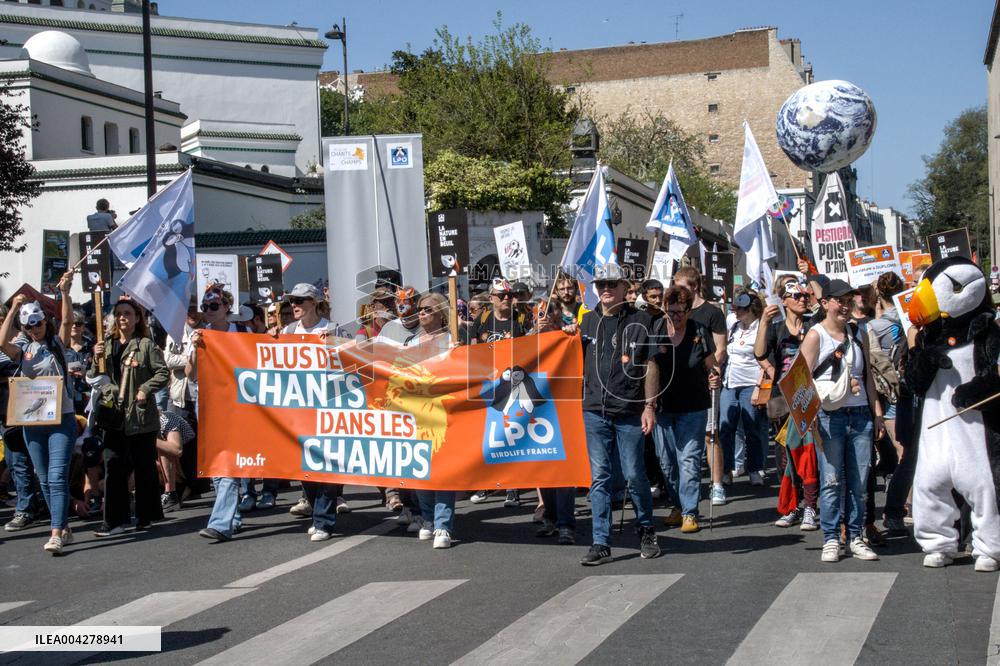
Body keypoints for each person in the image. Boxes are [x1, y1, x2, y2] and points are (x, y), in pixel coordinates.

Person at [574, 263, 661, 565]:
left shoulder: (641, 319)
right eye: (601, 285)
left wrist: (650, 406)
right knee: (600, 477)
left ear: (625, 287)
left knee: (635, 474)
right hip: (594, 410)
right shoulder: (585, 321)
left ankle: (647, 529)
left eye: (612, 284)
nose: (606, 290)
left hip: (630, 410)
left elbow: (650, 364)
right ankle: (601, 541)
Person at [800, 279, 882, 563]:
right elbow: (801, 379)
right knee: (832, 479)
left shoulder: (860, 332)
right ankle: (831, 538)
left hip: (860, 416)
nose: (846, 306)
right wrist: (807, 416)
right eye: (840, 300)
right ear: (825, 304)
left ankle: (857, 536)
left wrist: (877, 414)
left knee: (859, 482)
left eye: (849, 300)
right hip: (828, 416)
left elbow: (868, 378)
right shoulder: (815, 335)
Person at [0, 273, 78, 554]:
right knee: (43, 477)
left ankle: (56, 532)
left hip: (61, 420)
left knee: (57, 476)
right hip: (32, 422)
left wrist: (66, 293)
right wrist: (12, 309)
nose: (35, 329)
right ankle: (64, 525)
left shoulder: (55, 344)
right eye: (29, 326)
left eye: (39, 324)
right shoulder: (23, 347)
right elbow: (2, 344)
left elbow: (67, 322)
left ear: (45, 321)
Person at [90, 297, 169, 539]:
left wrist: (146, 388)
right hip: (113, 414)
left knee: (143, 467)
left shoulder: (145, 345)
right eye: (119, 313)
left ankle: (146, 516)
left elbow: (163, 372)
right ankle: (114, 520)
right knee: (113, 466)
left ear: (136, 318)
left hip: (140, 416)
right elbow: (94, 376)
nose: (122, 317)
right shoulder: (106, 344)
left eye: (127, 313)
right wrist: (95, 357)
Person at [279, 283, 348, 538]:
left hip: (327, 406)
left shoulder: (332, 328)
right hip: (298, 407)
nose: (294, 305)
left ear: (314, 303)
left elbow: (351, 362)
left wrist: (335, 347)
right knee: (306, 466)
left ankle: (323, 521)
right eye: (292, 301)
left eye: (300, 300)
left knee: (327, 464)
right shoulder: (288, 330)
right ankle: (316, 510)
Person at [652, 286, 720, 532]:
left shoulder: (698, 331)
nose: (676, 317)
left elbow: (711, 364)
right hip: (663, 406)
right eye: (671, 312)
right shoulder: (657, 330)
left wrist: (714, 375)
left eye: (680, 312)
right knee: (667, 461)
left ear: (689, 311)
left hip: (693, 405)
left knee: (688, 459)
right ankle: (678, 505)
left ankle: (690, 512)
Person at [754, 277, 819, 530]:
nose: (802, 300)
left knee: (809, 455)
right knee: (785, 457)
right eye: (796, 296)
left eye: (805, 296)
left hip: (809, 398)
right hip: (783, 400)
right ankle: (792, 506)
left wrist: (809, 275)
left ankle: (811, 507)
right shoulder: (777, 327)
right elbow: (759, 353)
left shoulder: (814, 324)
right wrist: (764, 322)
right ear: (784, 301)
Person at [467, 278, 532, 507]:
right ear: (491, 298)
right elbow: (471, 351)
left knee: (511, 435)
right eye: (502, 295)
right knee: (489, 437)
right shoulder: (482, 320)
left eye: (509, 295)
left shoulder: (522, 319)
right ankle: (487, 483)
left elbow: (533, 348)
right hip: (489, 386)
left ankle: (513, 488)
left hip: (514, 385)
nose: (507, 298)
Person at [673, 266, 728, 499]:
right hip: (678, 381)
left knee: (710, 434)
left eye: (683, 287)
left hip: (705, 381)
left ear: (694, 287)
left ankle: (717, 484)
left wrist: (713, 371)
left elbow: (720, 348)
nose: (678, 291)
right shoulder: (676, 311)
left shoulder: (711, 313)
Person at [410, 292, 457, 548]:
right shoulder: (411, 342)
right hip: (417, 413)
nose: (422, 313)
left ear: (440, 312)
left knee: (443, 470)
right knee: (421, 470)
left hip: (444, 411)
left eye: (427, 309)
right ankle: (428, 519)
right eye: (420, 309)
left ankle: (443, 525)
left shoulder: (453, 340)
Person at [718, 289, 768, 506]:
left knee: (752, 427)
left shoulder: (761, 328)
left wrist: (760, 386)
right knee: (725, 427)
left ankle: (755, 468)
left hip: (751, 383)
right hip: (730, 383)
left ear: (751, 310)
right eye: (735, 307)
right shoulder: (733, 325)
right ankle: (727, 469)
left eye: (740, 308)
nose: (735, 311)